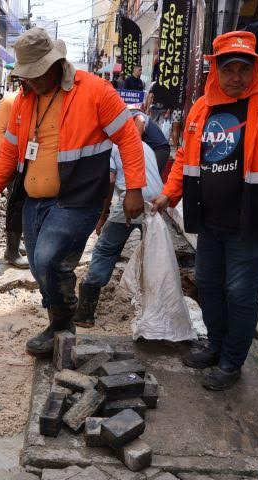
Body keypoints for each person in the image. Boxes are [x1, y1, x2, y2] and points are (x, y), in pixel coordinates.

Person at [151, 31, 258, 391]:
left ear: (255, 69)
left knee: (240, 293)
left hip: (253, 223)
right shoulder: (201, 108)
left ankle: (232, 361)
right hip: (210, 220)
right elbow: (184, 159)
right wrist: (170, 193)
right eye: (228, 69)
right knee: (210, 286)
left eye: (244, 68)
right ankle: (215, 345)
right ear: (215, 69)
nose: (236, 77)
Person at [0, 28, 146, 356]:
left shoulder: (95, 91)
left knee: (45, 258)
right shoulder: (25, 100)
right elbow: (11, 151)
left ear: (56, 63)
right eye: (27, 75)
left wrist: (134, 189)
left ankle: (62, 319)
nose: (33, 81)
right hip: (33, 200)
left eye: (38, 73)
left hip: (77, 198)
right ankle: (59, 317)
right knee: (43, 267)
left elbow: (128, 137)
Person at [74, 110, 164, 327]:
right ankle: (155, 310)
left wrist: (102, 216)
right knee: (153, 255)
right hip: (157, 204)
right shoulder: (147, 147)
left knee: (106, 249)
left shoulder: (115, 147)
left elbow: (111, 181)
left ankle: (85, 313)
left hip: (131, 201)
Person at [0, 85, 29, 269]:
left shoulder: (31, 101)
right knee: (16, 206)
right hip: (13, 164)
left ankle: (17, 243)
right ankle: (11, 251)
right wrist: (8, 167)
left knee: (22, 206)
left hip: (26, 162)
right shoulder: (10, 102)